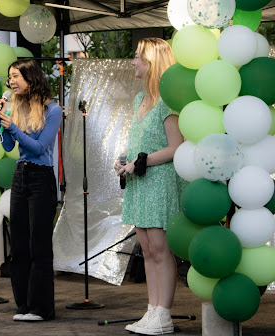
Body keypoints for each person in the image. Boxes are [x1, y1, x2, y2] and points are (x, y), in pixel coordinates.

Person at [114, 37, 185, 335]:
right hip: (140, 183)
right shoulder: (137, 99)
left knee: (160, 249)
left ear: (152, 62)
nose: (133, 62)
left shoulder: (168, 101)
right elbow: (141, 143)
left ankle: (164, 315)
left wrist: (140, 161)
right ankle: (152, 310)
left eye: (137, 57)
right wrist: (124, 162)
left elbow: (176, 147)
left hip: (161, 182)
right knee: (146, 248)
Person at [0, 59, 62, 322]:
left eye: (15, 76)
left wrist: (12, 126)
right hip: (20, 176)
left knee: (38, 245)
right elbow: (10, 147)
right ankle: (22, 305)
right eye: (9, 77)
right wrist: (2, 124)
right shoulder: (16, 107)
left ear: (30, 78)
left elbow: (39, 147)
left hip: (41, 178)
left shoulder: (52, 110)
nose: (11, 82)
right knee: (19, 245)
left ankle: (41, 308)